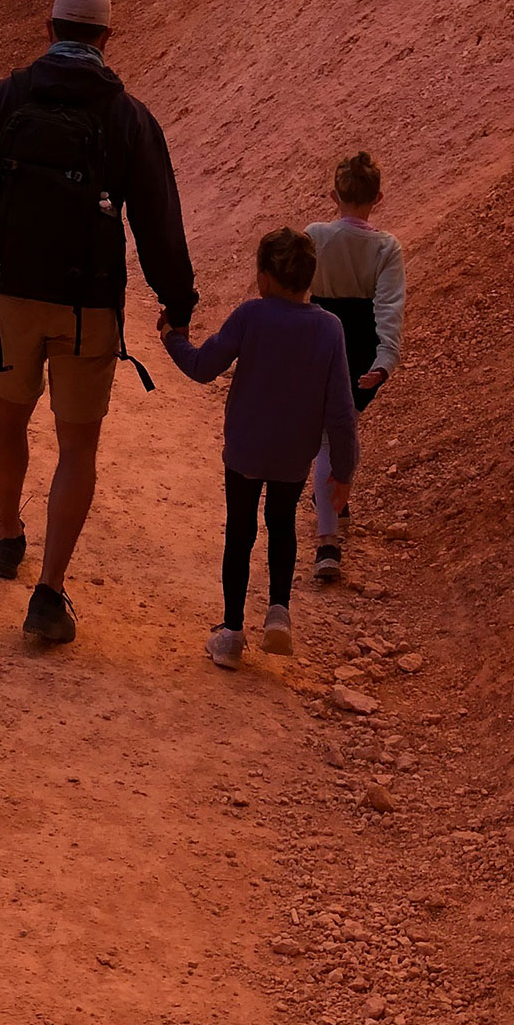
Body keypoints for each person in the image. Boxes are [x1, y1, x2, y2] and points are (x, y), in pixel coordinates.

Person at [0, 0, 198, 647]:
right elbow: (159, 221)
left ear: (47, 31)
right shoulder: (129, 118)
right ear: (108, 38)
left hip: (9, 293)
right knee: (78, 446)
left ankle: (9, 533)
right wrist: (177, 304)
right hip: (89, 307)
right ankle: (49, 594)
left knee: (8, 416)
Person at [159, 226, 357, 666]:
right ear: (309, 279)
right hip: (293, 453)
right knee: (282, 523)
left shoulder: (250, 315)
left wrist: (172, 337)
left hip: (246, 448)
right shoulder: (330, 329)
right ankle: (278, 614)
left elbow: (202, 366)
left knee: (241, 531)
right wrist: (342, 471)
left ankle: (230, 633)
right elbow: (341, 411)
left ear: (264, 276)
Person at [305, 151, 406, 583]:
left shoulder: (313, 236)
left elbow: (296, 289)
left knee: (327, 437)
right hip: (360, 347)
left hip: (316, 339)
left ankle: (329, 526)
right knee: (344, 429)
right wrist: (385, 360)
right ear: (378, 198)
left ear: (333, 194)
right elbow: (389, 308)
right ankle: (332, 523)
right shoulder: (386, 247)